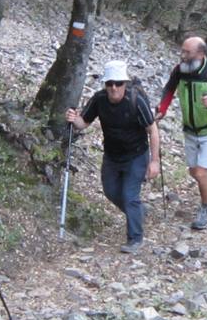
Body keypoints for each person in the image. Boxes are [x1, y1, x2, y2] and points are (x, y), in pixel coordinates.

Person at [65, 61, 160, 253]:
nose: (113, 88)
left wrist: (155, 161)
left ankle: (135, 239)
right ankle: (139, 213)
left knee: (129, 195)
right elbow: (83, 123)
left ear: (124, 83)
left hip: (136, 154)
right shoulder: (99, 100)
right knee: (110, 191)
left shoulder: (135, 101)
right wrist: (73, 118)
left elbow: (153, 130)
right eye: (109, 83)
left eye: (118, 83)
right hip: (112, 155)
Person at [155, 36, 207, 230]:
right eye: (182, 51)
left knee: (201, 172)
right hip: (190, 130)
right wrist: (162, 109)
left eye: (187, 52)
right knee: (194, 171)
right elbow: (169, 89)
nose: (182, 55)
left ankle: (205, 209)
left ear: (200, 54)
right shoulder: (180, 70)